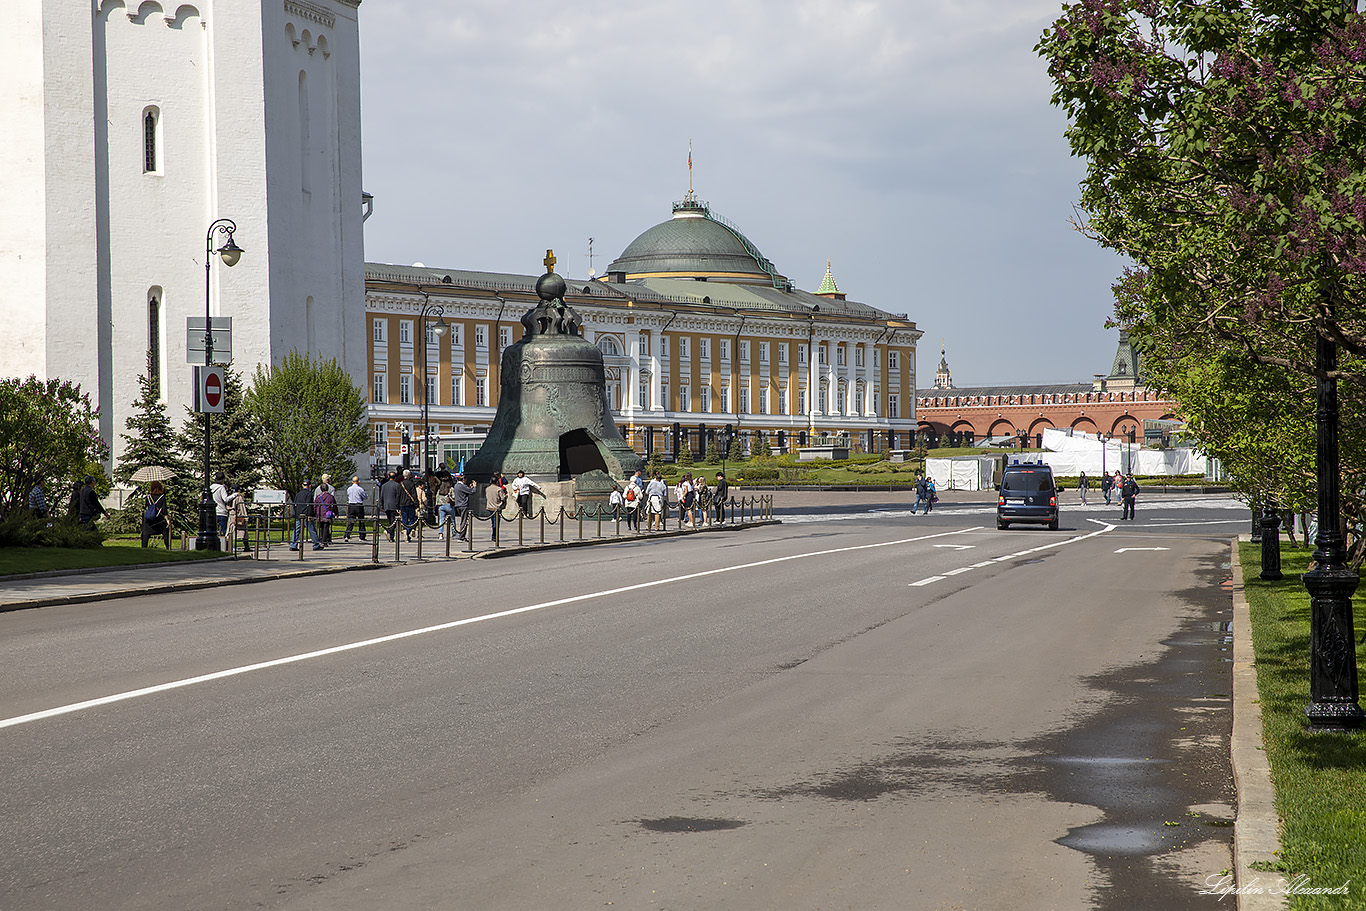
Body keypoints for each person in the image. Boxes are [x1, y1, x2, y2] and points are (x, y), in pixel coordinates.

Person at [290, 480, 320, 550]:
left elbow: (294, 505)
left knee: (297, 530)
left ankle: (293, 544)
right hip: (306, 514)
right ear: (309, 486)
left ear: (303, 485)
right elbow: (309, 505)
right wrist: (310, 515)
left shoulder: (298, 494)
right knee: (311, 529)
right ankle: (316, 544)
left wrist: (296, 513)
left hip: (298, 514)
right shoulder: (309, 494)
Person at [140, 480, 171, 548]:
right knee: (165, 532)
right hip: (159, 521)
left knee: (145, 534)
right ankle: (167, 547)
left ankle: (144, 547)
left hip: (149, 522)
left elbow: (146, 507)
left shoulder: (148, 497)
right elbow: (164, 510)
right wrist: (167, 520)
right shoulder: (162, 497)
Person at [379, 471, 403, 541]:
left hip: (386, 505)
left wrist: (381, 506)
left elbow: (381, 496)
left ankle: (391, 535)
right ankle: (389, 532)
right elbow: (398, 496)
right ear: (395, 477)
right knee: (394, 521)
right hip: (394, 506)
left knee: (390, 521)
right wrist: (398, 506)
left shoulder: (384, 486)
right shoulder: (397, 485)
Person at [344, 476, 368, 542]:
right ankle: (362, 536)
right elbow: (365, 497)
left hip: (351, 505)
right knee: (361, 521)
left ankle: (347, 535)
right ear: (358, 481)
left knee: (351, 521)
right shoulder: (360, 489)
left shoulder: (349, 489)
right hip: (358, 505)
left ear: (352, 481)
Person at [487, 474, 509, 544]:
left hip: (490, 507)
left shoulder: (487, 489)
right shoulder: (499, 489)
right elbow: (502, 498)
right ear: (497, 482)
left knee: (493, 522)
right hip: (497, 508)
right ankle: (495, 535)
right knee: (496, 523)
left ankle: (494, 535)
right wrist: (505, 496)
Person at [228, 486, 251, 551]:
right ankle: (246, 546)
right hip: (239, 516)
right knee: (244, 532)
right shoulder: (239, 498)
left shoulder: (230, 497)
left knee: (231, 531)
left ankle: (230, 546)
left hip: (231, 516)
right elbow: (242, 508)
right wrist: (246, 518)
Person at [314, 482, 337, 546]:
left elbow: (315, 505)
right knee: (326, 527)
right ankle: (324, 541)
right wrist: (336, 512)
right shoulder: (330, 497)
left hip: (320, 513)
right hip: (327, 514)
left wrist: (315, 512)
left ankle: (321, 539)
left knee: (321, 527)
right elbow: (334, 505)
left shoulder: (318, 497)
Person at [399, 470, 420, 541]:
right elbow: (414, 495)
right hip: (410, 504)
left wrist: (397, 505)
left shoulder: (401, 484)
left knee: (404, 519)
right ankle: (408, 530)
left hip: (402, 504)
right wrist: (417, 504)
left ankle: (405, 530)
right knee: (412, 519)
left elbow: (398, 495)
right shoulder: (411, 484)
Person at [211, 471, 231, 537]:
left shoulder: (211, 488)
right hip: (222, 512)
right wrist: (235, 495)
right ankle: (228, 545)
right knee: (225, 530)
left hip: (213, 512)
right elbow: (225, 499)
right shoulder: (221, 488)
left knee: (213, 530)